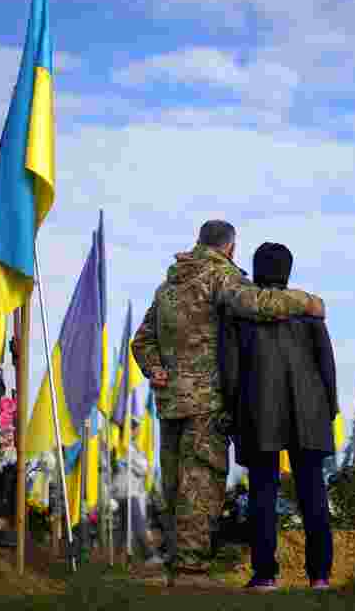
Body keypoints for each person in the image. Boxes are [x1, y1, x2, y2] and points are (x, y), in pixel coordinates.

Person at [132, 220, 325, 586]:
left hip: (171, 399)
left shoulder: (169, 286)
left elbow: (142, 341)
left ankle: (172, 564)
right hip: (206, 400)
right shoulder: (219, 277)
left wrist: (155, 369)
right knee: (201, 481)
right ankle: (192, 570)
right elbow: (258, 304)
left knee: (174, 483)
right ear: (230, 248)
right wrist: (307, 301)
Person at [221, 242, 337, 591]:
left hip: (258, 411)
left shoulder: (238, 312)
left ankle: (265, 575)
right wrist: (328, 408)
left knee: (262, 493)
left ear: (256, 271)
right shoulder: (309, 310)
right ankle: (320, 576)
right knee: (313, 492)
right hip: (310, 410)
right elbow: (326, 364)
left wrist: (231, 411)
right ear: (289, 271)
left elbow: (230, 370)